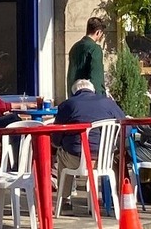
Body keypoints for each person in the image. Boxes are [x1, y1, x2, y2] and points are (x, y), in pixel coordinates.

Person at [52, 79, 126, 214]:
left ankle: (65, 201)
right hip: (105, 160)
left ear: (74, 92)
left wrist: (61, 143)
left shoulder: (68, 104)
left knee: (61, 154)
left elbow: (56, 138)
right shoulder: (109, 103)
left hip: (78, 159)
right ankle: (108, 201)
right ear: (93, 90)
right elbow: (125, 127)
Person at [66, 17, 107, 95]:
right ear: (98, 32)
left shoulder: (75, 47)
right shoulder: (95, 49)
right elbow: (96, 78)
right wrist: (101, 97)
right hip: (89, 97)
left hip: (73, 95)